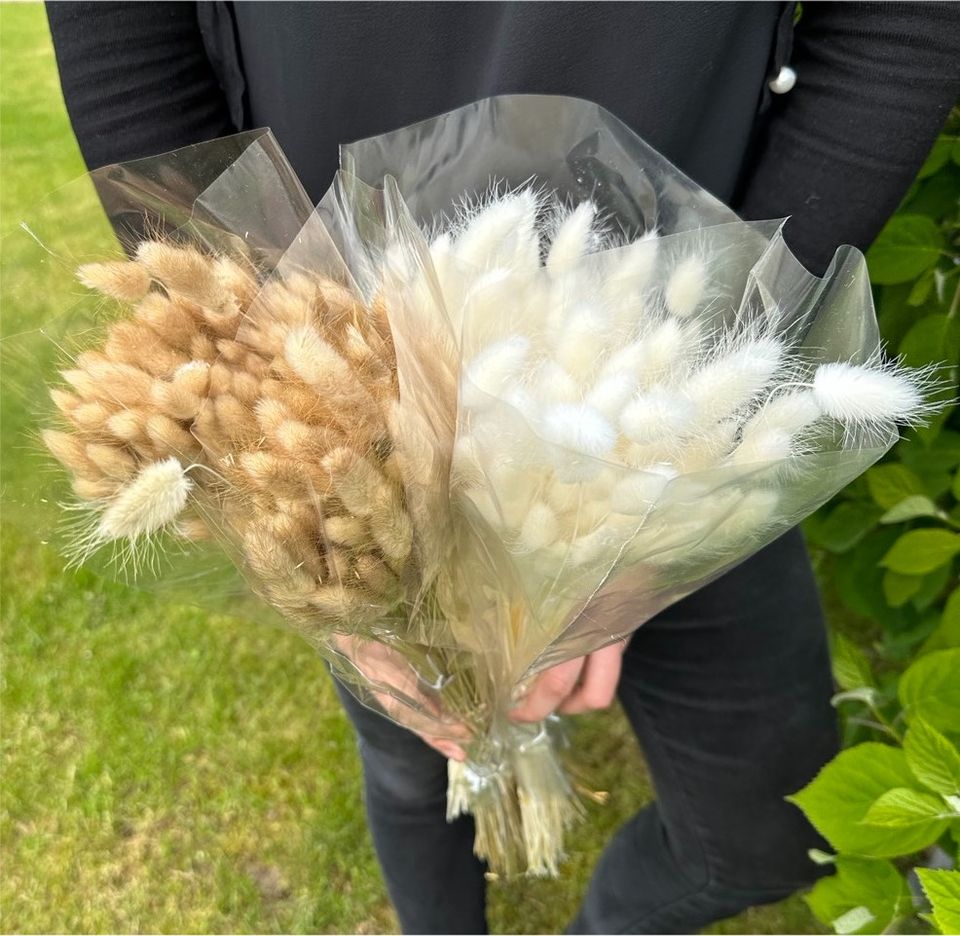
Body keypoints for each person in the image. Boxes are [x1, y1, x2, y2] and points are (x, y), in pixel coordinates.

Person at [45, 3, 960, 933]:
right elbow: (122, 29)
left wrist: (670, 452)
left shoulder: (687, 396)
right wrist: (269, 404)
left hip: (673, 365)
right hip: (340, 370)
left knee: (767, 830)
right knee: (414, 753)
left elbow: (901, 20)